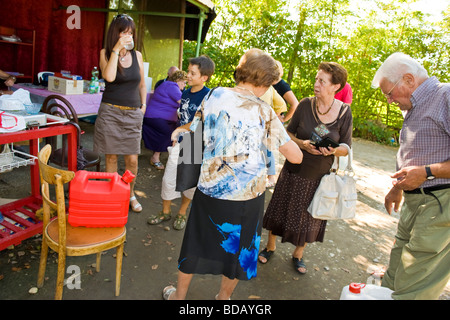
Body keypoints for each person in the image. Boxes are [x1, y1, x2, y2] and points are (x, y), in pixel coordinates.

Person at [162, 49, 303, 300]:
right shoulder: (265, 111)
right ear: (263, 82)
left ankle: (178, 296)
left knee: (194, 244)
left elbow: (195, 133)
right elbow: (296, 157)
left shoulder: (215, 94)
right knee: (240, 252)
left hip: (210, 190)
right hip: (247, 199)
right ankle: (223, 299)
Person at [259, 62, 353, 275]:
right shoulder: (304, 105)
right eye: (316, 78)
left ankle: (298, 255)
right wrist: (302, 144)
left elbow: (347, 148)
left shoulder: (345, 113)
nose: (316, 83)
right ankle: (270, 246)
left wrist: (332, 151)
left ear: (335, 86)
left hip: (319, 175)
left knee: (310, 216)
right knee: (281, 208)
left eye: (322, 81)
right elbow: (288, 134)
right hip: (294, 169)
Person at [372, 52, 450, 300]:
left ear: (408, 79)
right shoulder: (415, 106)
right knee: (395, 272)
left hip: (439, 202)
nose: (389, 100)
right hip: (416, 202)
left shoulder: (445, 96)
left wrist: (427, 173)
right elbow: (415, 152)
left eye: (389, 93)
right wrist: (398, 187)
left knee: (415, 283)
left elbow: (424, 167)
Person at [147, 55, 215, 230]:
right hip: (180, 142)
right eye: (188, 71)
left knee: (189, 182)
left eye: (193, 73)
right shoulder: (185, 92)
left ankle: (182, 213)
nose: (188, 76)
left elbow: (201, 122)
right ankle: (165, 211)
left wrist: (179, 129)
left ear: (204, 77)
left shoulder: (208, 96)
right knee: (168, 178)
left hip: (194, 145)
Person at [93, 13, 147, 213]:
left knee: (132, 160)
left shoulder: (137, 55)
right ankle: (113, 195)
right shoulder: (105, 53)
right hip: (110, 113)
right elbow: (109, 76)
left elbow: (142, 84)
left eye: (130, 32)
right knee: (112, 159)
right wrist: (116, 50)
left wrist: (143, 106)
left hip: (133, 113)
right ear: (115, 33)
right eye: (124, 32)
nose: (128, 36)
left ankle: (130, 193)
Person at [142, 70, 187, 170]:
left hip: (153, 117)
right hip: (156, 118)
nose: (184, 85)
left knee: (174, 128)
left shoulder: (166, 84)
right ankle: (156, 158)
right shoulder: (172, 86)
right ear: (178, 80)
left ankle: (160, 155)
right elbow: (183, 103)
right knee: (172, 132)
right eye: (184, 82)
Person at [259, 86, 287, 187]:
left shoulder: (274, 85)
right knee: (266, 149)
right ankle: (270, 177)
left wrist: (274, 117)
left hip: (262, 122)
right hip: (264, 122)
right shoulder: (269, 86)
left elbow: (282, 104)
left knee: (266, 149)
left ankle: (271, 176)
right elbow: (281, 104)